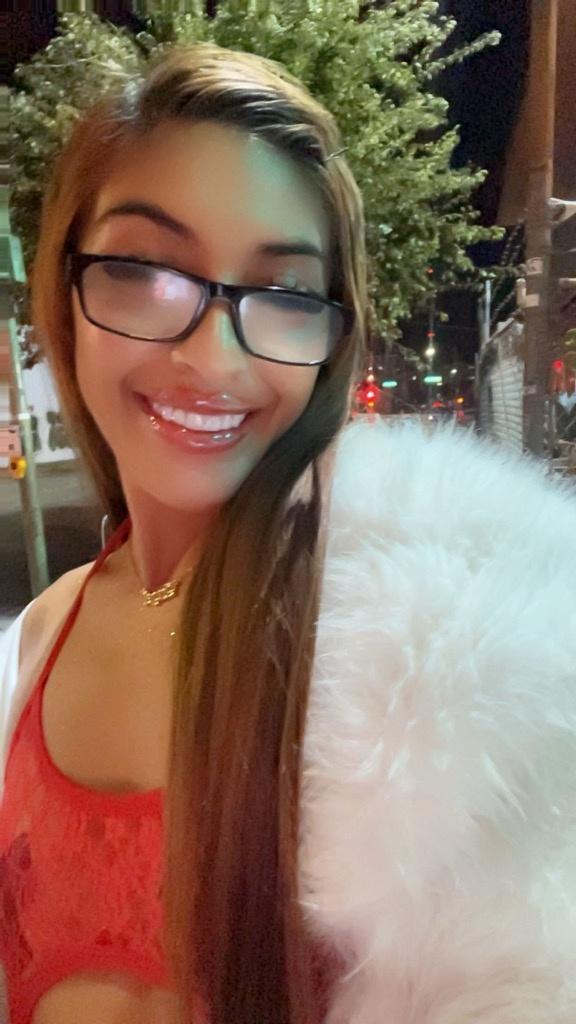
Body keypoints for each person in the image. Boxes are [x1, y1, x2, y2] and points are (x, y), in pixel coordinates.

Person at [2, 42, 576, 1024]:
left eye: (283, 293)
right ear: (65, 287)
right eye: (148, 270)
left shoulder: (420, 665)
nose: (212, 357)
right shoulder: (38, 643)